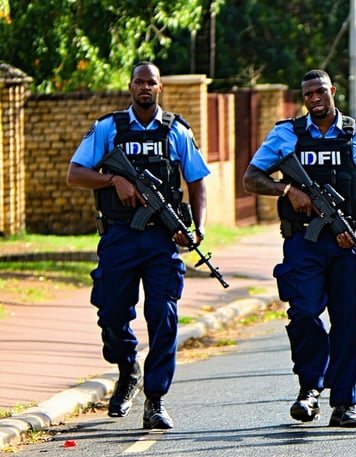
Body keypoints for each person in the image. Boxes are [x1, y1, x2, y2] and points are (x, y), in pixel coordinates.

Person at [243, 69, 356, 428]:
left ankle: (345, 403)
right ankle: (310, 387)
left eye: (320, 92)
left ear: (333, 91)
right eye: (308, 94)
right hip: (303, 243)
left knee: (349, 323)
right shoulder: (285, 135)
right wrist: (287, 191)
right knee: (305, 313)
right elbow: (252, 178)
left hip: (346, 245)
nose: (315, 99)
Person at [65, 61, 211, 430]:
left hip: (162, 241)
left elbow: (197, 182)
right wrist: (114, 180)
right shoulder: (108, 128)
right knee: (111, 312)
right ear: (130, 86)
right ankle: (127, 366)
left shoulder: (176, 131)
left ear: (160, 88)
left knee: (163, 316)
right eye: (139, 82)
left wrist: (198, 228)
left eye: (152, 83)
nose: (145, 88)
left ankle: (155, 399)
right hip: (119, 236)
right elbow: (75, 174)